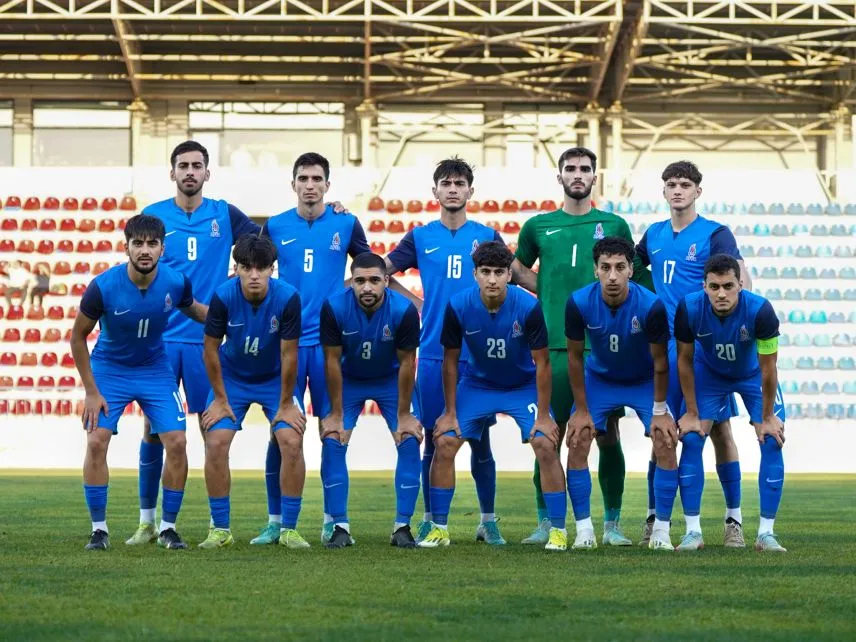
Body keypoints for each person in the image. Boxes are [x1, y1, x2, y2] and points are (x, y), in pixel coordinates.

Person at [385, 156, 536, 545]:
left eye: (459, 183)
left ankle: (487, 520)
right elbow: (380, 271)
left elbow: (516, 277)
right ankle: (431, 520)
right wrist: (417, 305)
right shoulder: (419, 237)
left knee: (481, 442)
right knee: (435, 438)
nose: (453, 189)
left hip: (478, 356)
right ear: (435, 191)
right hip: (434, 353)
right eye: (446, 183)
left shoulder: (486, 236)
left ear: (471, 191)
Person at [514, 146, 652, 546]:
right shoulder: (538, 226)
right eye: (571, 169)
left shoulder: (613, 224)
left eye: (585, 169)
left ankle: (612, 525)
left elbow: (632, 277)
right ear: (560, 177)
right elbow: (517, 268)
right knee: (549, 437)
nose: (578, 174)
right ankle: (547, 522)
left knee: (607, 436)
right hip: (554, 346)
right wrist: (548, 290)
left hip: (603, 349)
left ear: (595, 177)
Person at [127, 140, 261, 546]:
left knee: (213, 433)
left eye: (196, 165)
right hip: (161, 342)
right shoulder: (154, 216)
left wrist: (332, 209)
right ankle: (148, 522)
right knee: (154, 431)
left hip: (208, 342)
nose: (190, 171)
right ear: (172, 172)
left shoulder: (225, 214)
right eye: (183, 165)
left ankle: (219, 527)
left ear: (207, 173)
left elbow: (265, 245)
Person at [70, 214, 208, 551]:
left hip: (154, 369)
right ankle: (99, 530)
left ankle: (168, 528)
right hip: (109, 370)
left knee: (177, 441)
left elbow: (196, 311)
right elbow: (77, 337)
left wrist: (234, 316)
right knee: (97, 441)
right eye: (138, 243)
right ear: (127, 247)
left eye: (152, 244)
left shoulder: (176, 282)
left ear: (162, 248)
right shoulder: (103, 286)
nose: (145, 250)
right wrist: (91, 391)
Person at [635, 160, 753, 547]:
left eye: (685, 184)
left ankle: (733, 520)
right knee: (663, 433)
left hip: (703, 346)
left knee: (717, 429)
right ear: (663, 191)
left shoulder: (715, 234)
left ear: (697, 191)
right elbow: (631, 270)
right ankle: (655, 516)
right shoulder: (653, 234)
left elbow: (738, 275)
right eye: (671, 184)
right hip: (666, 346)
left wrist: (737, 320)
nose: (678, 190)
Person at [419, 242, 566, 550]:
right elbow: (450, 362)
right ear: (475, 274)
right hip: (478, 385)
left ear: (509, 275)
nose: (492, 279)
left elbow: (542, 363)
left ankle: (558, 530)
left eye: (499, 272)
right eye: (485, 272)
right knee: (444, 440)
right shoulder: (458, 305)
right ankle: (439, 528)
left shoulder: (528, 306)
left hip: (522, 385)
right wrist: (449, 412)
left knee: (545, 442)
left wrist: (543, 415)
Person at [260, 152, 372, 545]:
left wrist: (342, 295)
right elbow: (257, 272)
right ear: (293, 184)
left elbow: (369, 269)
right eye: (303, 178)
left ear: (328, 185)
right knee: (281, 432)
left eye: (317, 179)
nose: (310, 185)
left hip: (330, 346)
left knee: (333, 431)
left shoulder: (346, 223)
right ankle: (275, 522)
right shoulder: (274, 226)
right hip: (287, 344)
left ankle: (334, 523)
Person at [564, 238, 677, 551]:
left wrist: (660, 411)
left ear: (630, 270)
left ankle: (661, 532)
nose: (612, 275)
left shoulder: (651, 305)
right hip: (600, 380)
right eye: (605, 268)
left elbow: (660, 363)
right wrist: (581, 410)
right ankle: (584, 531)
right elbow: (574, 358)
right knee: (578, 438)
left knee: (666, 439)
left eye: (619, 267)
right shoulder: (578, 302)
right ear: (595, 270)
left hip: (643, 380)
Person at [197, 234, 309, 549]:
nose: (254, 275)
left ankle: (289, 529)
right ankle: (220, 530)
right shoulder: (222, 296)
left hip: (275, 378)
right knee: (216, 441)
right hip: (232, 379)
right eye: (247, 268)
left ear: (272, 269)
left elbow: (289, 354)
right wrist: (220, 399)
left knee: (291, 441)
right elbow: (210, 349)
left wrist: (286, 404)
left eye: (261, 268)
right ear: (237, 269)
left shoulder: (288, 297)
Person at [674, 254, 786, 552]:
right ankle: (693, 532)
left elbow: (768, 369)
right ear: (704, 286)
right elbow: (684, 361)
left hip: (752, 376)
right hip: (709, 375)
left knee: (772, 440)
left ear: (740, 285)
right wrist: (692, 412)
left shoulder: (761, 311)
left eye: (728, 286)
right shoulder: (689, 308)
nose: (721, 293)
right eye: (714, 287)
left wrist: (766, 417)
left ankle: (765, 534)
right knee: (692, 437)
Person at [319, 252, 423, 549]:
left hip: (391, 379)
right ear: (351, 282)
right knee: (333, 439)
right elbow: (331, 361)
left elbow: (407, 363)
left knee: (409, 439)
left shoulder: (403, 310)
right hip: (348, 379)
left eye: (374, 280)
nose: (367, 287)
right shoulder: (334, 307)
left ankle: (402, 527)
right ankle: (339, 527)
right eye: (360, 280)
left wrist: (404, 414)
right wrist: (336, 412)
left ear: (386, 281)